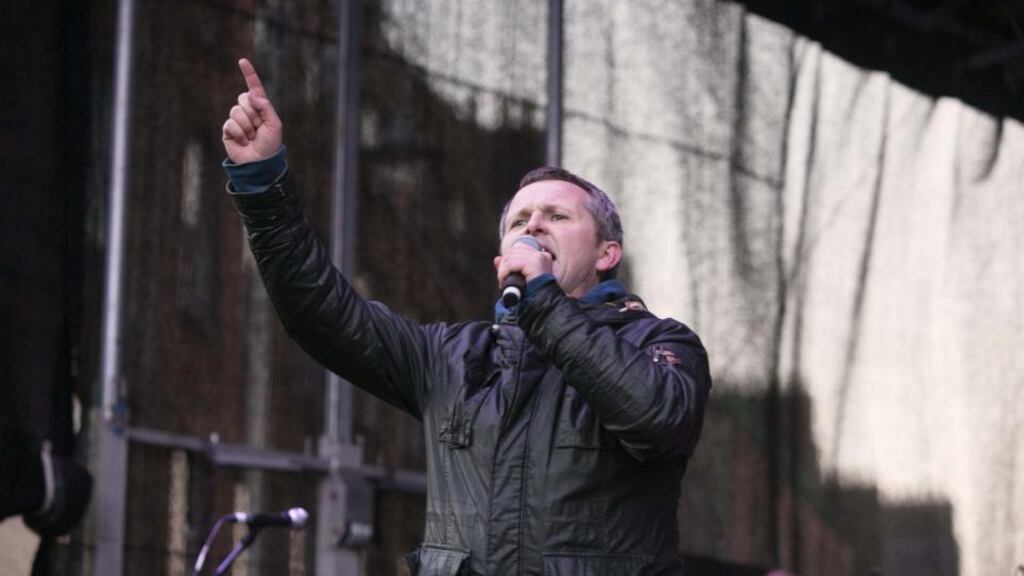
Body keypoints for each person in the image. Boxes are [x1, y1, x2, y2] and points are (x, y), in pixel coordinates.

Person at [222, 58, 711, 575]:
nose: (535, 224)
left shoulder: (659, 343)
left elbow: (657, 420)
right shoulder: (449, 358)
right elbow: (318, 309)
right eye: (520, 220)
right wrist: (261, 181)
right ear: (501, 262)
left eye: (558, 216)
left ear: (607, 254)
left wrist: (544, 300)